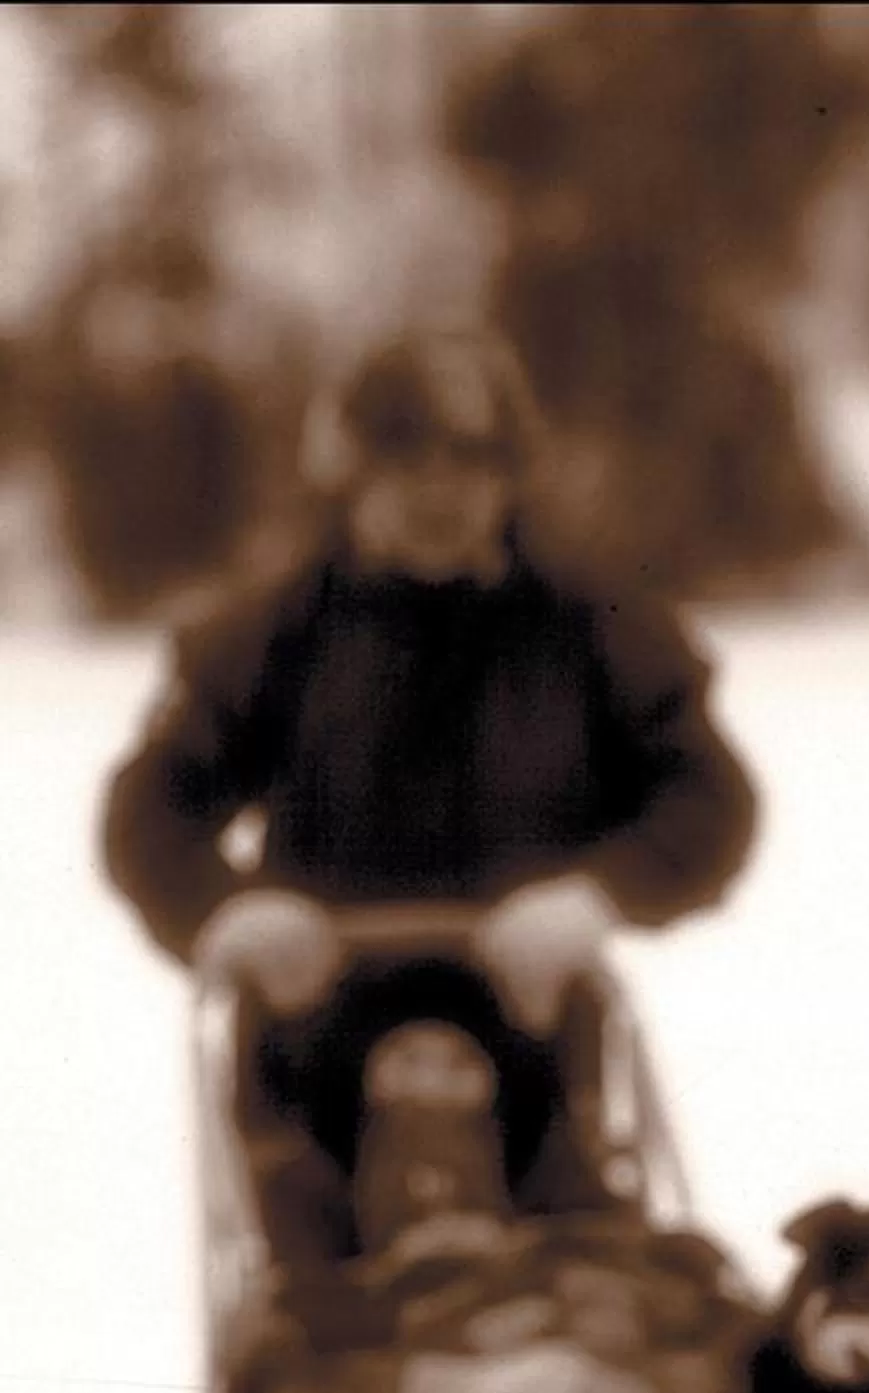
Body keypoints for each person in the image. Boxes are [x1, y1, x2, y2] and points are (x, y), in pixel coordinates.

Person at [103, 323, 760, 1294]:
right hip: (316, 1033)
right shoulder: (276, 629)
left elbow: (707, 795)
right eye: (406, 459)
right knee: (324, 1315)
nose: (441, 490)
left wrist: (601, 895)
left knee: (585, 1295)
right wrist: (227, 910)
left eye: (472, 460)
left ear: (510, 477)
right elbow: (150, 807)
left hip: (535, 1039)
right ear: (352, 475)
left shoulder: (591, 625)